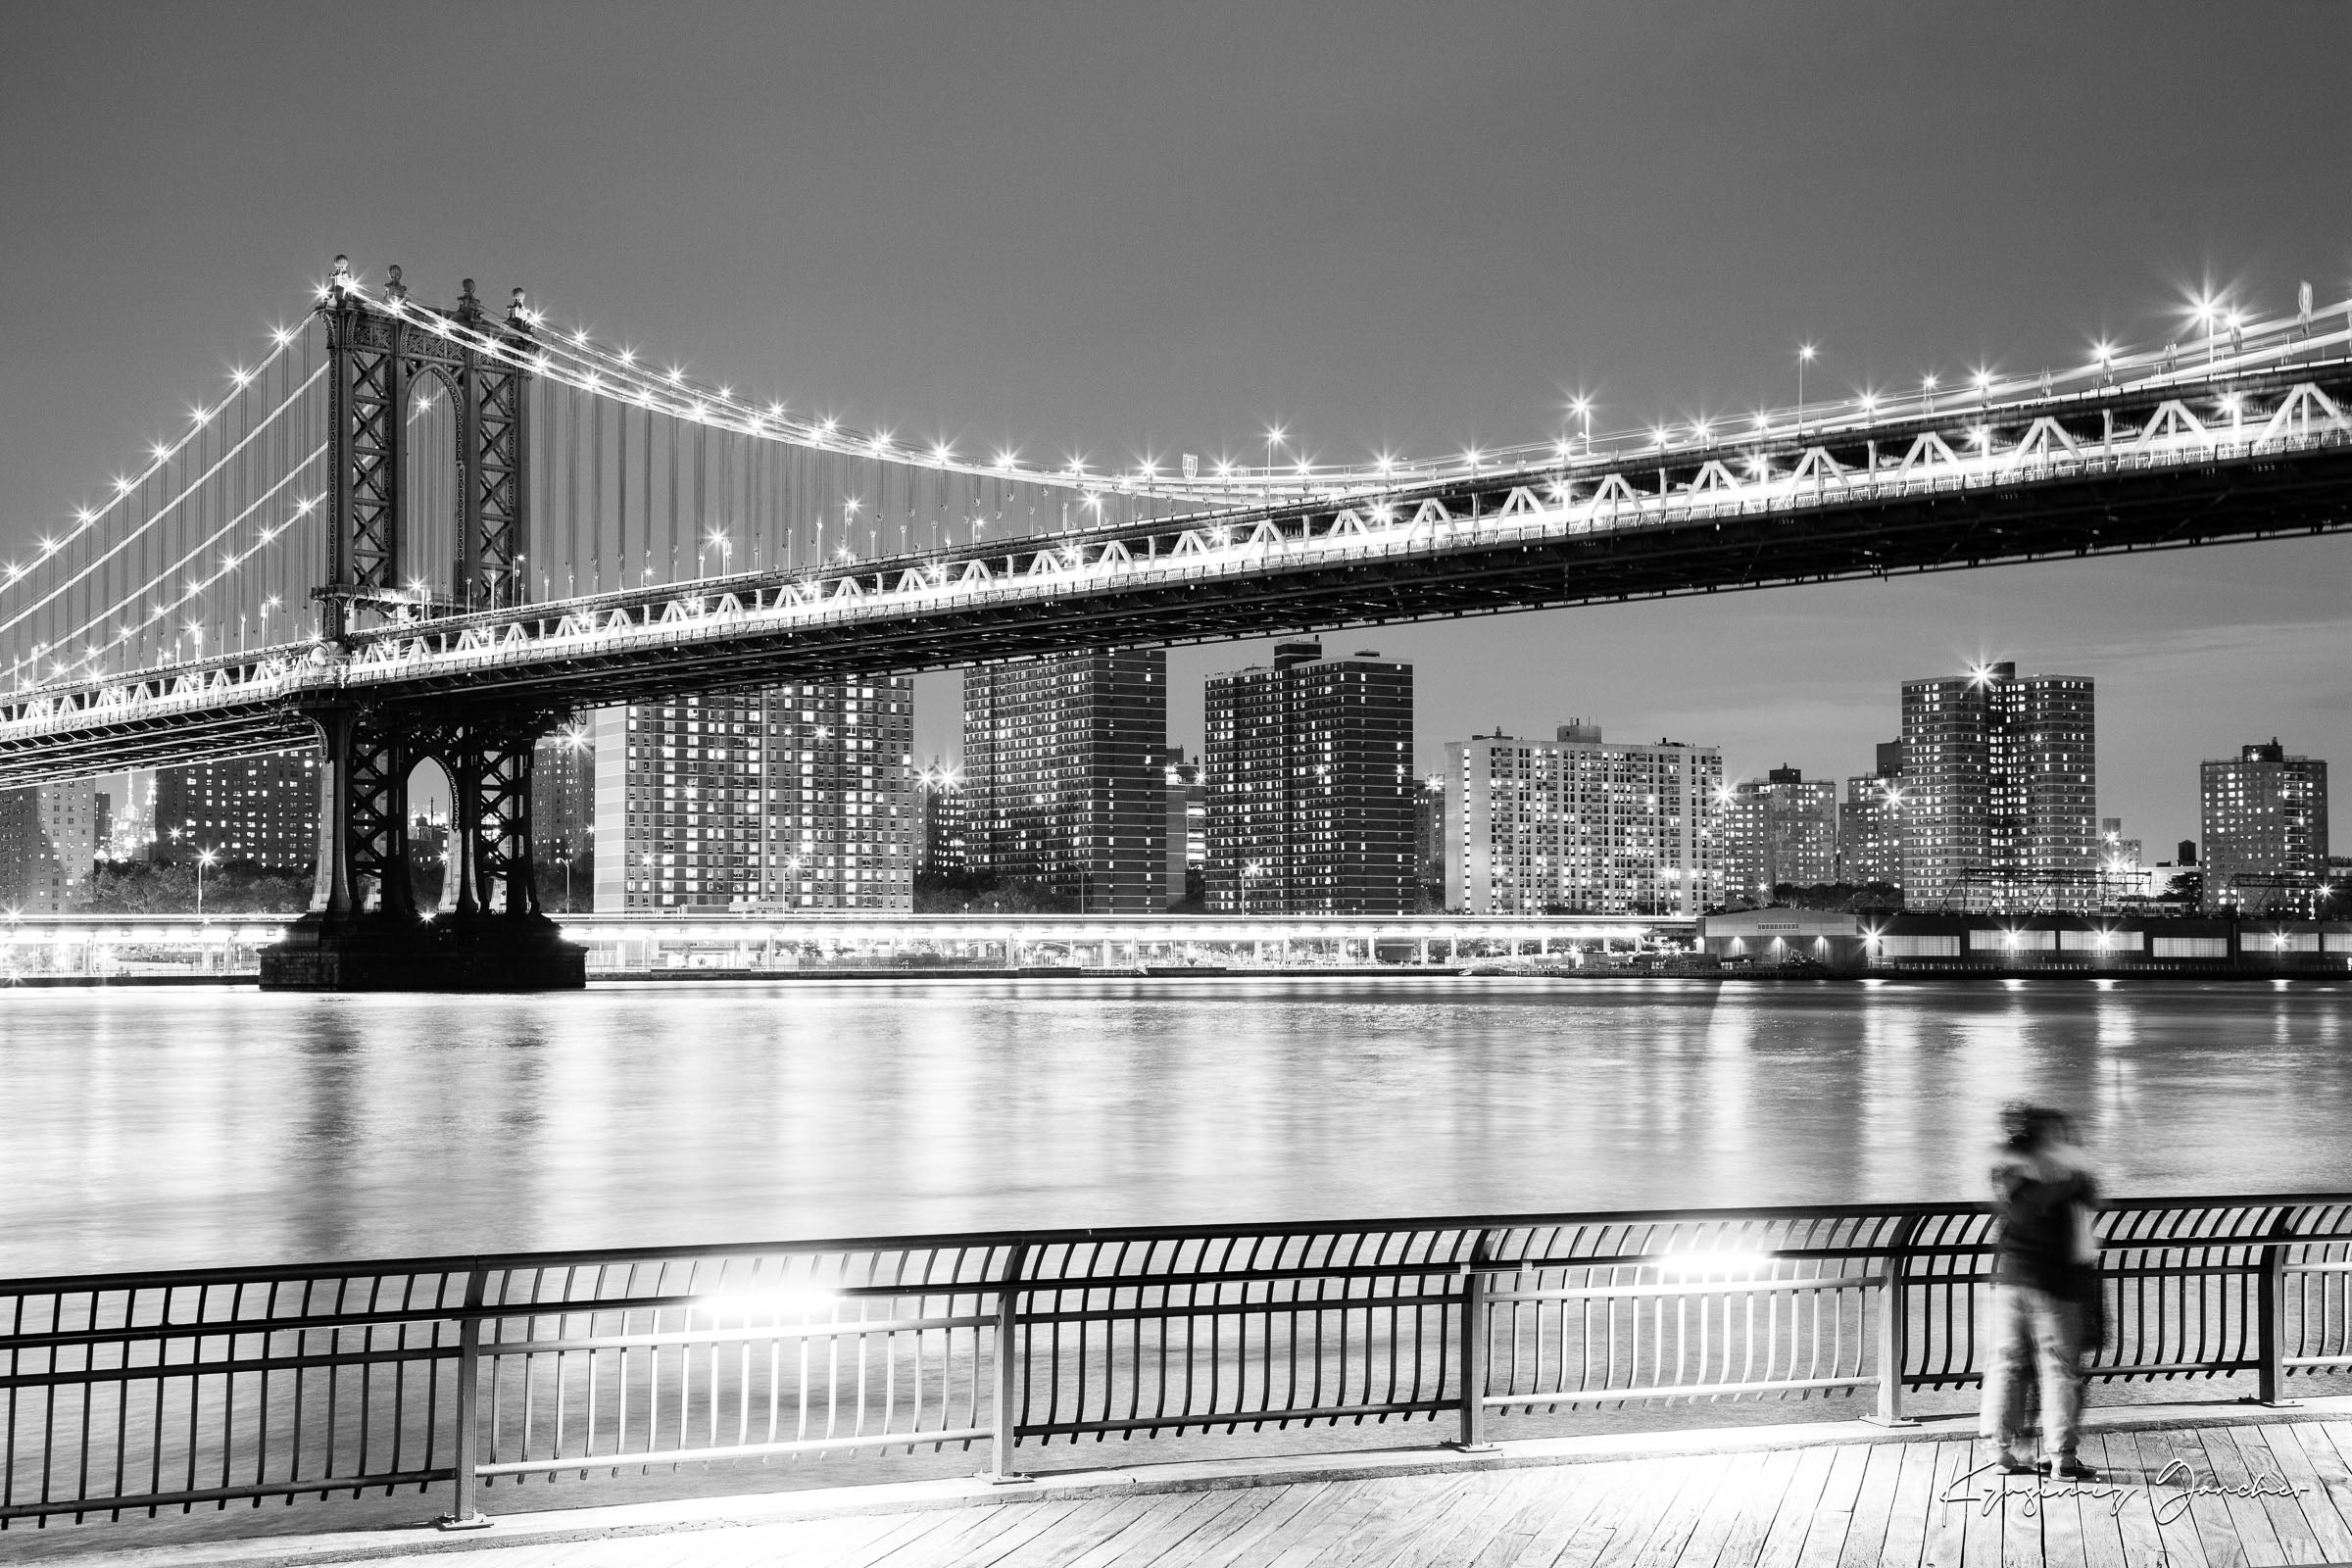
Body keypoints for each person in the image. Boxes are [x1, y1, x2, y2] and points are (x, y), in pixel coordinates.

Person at [1979, 1102, 2101, 1480]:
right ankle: (2061, 1458)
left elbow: (2010, 1204)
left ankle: (1999, 1452)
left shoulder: (2005, 1171)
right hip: (2056, 1285)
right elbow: (2093, 1198)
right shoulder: (2069, 1175)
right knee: (2059, 1370)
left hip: (2011, 1279)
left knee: (2005, 1366)